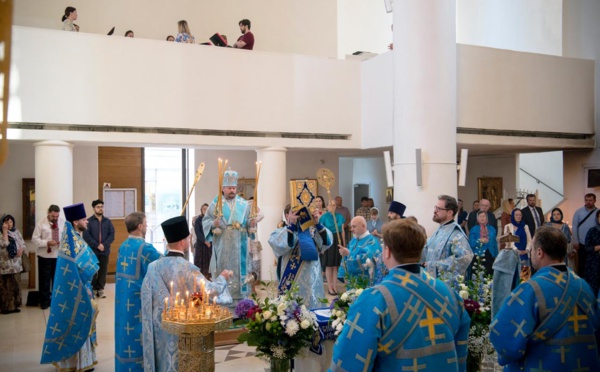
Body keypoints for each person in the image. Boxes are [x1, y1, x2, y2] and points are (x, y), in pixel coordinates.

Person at [329, 219, 470, 371]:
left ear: (387, 251)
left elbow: (350, 362)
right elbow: (461, 355)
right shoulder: (450, 294)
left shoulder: (374, 299)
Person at [490, 226, 600, 370]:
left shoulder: (530, 290)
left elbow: (504, 338)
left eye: (532, 250)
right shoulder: (584, 287)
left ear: (540, 252)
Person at [141, 216, 232, 372]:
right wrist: (222, 278)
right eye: (188, 238)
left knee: (163, 362)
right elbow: (210, 291)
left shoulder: (153, 267)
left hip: (160, 328)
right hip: (182, 331)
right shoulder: (188, 269)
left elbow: (146, 299)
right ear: (183, 242)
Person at [41, 203, 99, 372]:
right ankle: (76, 363)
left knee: (82, 322)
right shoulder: (71, 241)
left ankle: (84, 360)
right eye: (83, 219)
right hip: (78, 290)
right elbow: (75, 269)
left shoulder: (74, 238)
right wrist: (84, 286)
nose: (87, 222)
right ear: (75, 222)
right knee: (77, 322)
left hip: (83, 287)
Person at [114, 212, 161, 372]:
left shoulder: (123, 246)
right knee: (137, 333)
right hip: (138, 301)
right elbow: (162, 264)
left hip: (123, 298)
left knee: (124, 332)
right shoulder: (145, 248)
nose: (147, 226)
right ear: (140, 226)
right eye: (146, 223)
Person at [203, 169, 256, 303]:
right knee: (223, 270)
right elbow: (205, 221)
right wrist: (213, 223)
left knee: (240, 274)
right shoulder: (216, 204)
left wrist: (251, 223)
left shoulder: (243, 204)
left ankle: (240, 304)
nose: (232, 190)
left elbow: (248, 224)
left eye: (234, 187)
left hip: (240, 247)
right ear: (223, 188)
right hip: (222, 246)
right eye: (229, 188)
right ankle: (221, 301)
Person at [269, 204, 332, 309]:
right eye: (295, 213)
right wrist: (292, 226)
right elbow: (277, 244)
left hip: (312, 282)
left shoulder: (313, 231)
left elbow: (327, 242)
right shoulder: (281, 231)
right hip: (291, 282)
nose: (300, 217)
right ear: (286, 215)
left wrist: (317, 223)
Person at [421, 195, 473, 278]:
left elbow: (465, 257)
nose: (435, 211)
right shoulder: (439, 230)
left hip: (445, 286)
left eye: (439, 209)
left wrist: (434, 265)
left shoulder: (456, 234)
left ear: (450, 212)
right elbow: (425, 251)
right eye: (435, 207)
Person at [492, 209, 525, 318]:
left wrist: (527, 250)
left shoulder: (525, 227)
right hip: (510, 256)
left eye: (520, 215)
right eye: (516, 214)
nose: (519, 216)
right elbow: (507, 240)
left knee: (521, 283)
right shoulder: (508, 226)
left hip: (522, 256)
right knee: (504, 288)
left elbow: (529, 240)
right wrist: (514, 249)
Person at [32, 204, 63, 310]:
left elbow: (65, 236)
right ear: (48, 213)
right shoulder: (41, 223)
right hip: (44, 255)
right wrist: (47, 243)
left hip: (58, 255)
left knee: (57, 279)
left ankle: (56, 301)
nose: (55, 218)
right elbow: (34, 239)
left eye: (57, 216)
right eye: (53, 216)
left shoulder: (62, 222)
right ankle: (44, 302)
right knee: (44, 280)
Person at [83, 199, 115, 299]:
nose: (100, 209)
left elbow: (112, 234)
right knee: (93, 270)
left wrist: (104, 245)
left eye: (101, 207)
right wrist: (97, 245)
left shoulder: (108, 221)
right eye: (98, 207)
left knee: (103, 270)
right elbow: (86, 236)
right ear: (94, 208)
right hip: (93, 250)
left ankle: (100, 289)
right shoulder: (89, 221)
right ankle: (92, 289)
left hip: (105, 250)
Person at [337, 216, 382, 287]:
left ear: (363, 226)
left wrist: (349, 253)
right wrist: (343, 274)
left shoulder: (372, 241)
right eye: (351, 227)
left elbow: (365, 258)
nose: (351, 229)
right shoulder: (353, 241)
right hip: (351, 280)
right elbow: (344, 258)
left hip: (366, 282)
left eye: (354, 227)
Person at [0, 214, 24, 314]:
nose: (9, 224)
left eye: (10, 222)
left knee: (15, 285)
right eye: (6, 222)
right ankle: (6, 308)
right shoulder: (1, 233)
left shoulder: (16, 232)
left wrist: (22, 249)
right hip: (5, 265)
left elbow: (22, 243)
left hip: (16, 264)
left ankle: (14, 306)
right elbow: (3, 244)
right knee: (6, 287)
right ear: (2, 224)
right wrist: (5, 232)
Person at [320, 200, 345, 295]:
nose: (332, 207)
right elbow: (321, 232)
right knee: (329, 265)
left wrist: (343, 244)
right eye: (330, 205)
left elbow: (342, 231)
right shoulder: (324, 217)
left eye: (334, 205)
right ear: (327, 206)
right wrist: (321, 245)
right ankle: (329, 287)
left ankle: (335, 286)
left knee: (336, 265)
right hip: (328, 241)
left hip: (337, 240)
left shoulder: (340, 217)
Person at [572, 193, 597, 276]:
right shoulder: (578, 212)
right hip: (582, 243)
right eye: (586, 200)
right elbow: (574, 227)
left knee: (594, 264)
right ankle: (582, 282)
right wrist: (576, 241)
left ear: (594, 201)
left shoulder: (598, 212)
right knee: (581, 264)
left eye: (590, 200)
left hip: (594, 244)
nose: (588, 202)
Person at [467, 211, 498, 276]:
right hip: (478, 255)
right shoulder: (474, 229)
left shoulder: (492, 229)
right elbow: (471, 243)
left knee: (489, 275)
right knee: (478, 275)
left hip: (490, 254)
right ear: (477, 218)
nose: (482, 218)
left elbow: (495, 243)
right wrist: (479, 241)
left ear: (486, 218)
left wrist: (496, 256)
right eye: (480, 216)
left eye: (484, 216)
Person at [584, 210, 600, 295]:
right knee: (593, 288)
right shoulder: (592, 231)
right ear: (597, 218)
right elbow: (587, 247)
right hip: (594, 263)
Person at [193, 203, 211, 277]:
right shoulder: (198, 220)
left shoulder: (210, 220)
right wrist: (205, 241)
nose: (205, 211)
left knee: (209, 262)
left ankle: (208, 277)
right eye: (204, 209)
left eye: (207, 209)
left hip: (209, 244)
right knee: (200, 263)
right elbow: (198, 232)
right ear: (201, 210)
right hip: (201, 244)